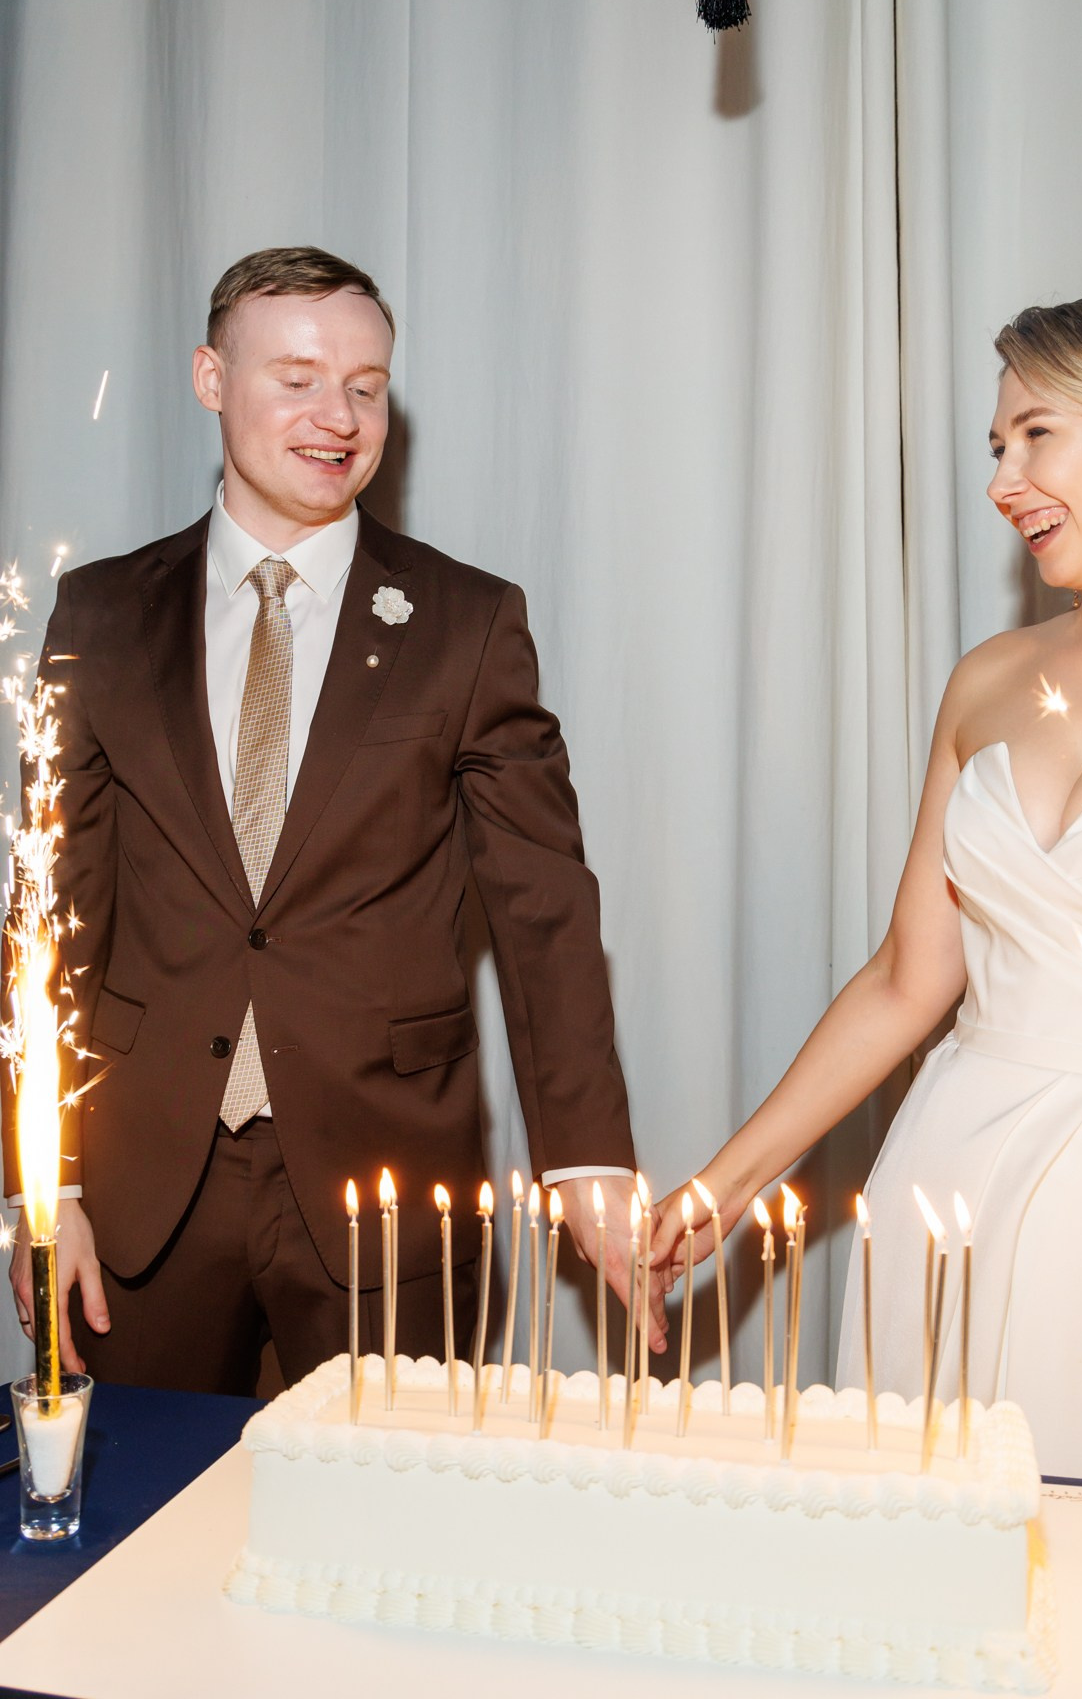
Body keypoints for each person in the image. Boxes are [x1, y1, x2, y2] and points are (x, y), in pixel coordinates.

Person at [4, 246, 665, 1391]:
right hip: (137, 1189)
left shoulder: (466, 622)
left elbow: (543, 905)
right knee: (130, 1533)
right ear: (212, 377)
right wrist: (39, 1174)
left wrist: (587, 1158)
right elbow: (50, 914)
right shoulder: (101, 612)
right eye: (298, 377)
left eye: (365, 386)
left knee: (384, 1545)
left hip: (388, 1192)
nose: (337, 416)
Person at [653, 287, 1082, 1490]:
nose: (1001, 480)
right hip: (952, 1178)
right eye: (996, 447)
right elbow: (906, 980)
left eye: (1035, 433)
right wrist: (716, 1195)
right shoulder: (989, 677)